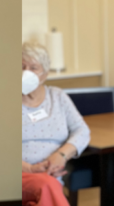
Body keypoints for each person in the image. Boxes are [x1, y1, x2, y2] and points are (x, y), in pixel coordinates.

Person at [22, 42, 90, 206]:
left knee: (43, 195)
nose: (25, 73)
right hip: (18, 175)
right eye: (22, 66)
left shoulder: (57, 97)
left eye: (33, 68)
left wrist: (61, 156)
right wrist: (29, 168)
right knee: (47, 186)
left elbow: (82, 130)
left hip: (51, 175)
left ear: (44, 74)